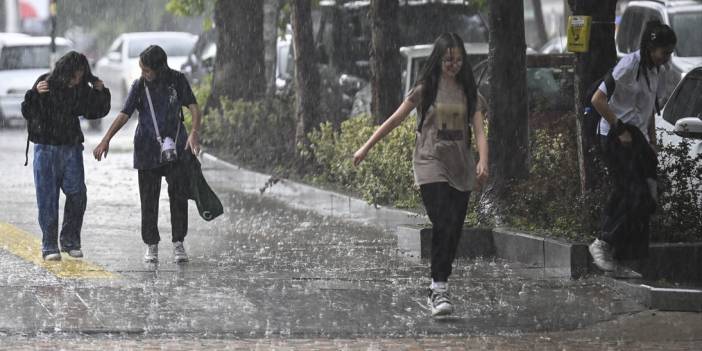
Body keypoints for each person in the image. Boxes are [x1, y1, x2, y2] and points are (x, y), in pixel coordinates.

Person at [353, 33, 488, 316]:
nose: (453, 65)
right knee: (443, 219)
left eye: (459, 60)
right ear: (438, 59)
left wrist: (483, 161)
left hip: (461, 165)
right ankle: (439, 289)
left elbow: (478, 129)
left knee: (453, 229)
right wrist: (366, 147)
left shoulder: (469, 91)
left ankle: (440, 281)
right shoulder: (426, 88)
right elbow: (396, 118)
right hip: (429, 162)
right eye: (448, 59)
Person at [93, 45, 202, 263]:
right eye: (142, 69)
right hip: (147, 150)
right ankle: (151, 244)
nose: (144, 73)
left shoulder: (177, 81)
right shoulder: (139, 85)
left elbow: (194, 107)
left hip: (176, 148)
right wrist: (106, 139)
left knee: (178, 197)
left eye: (147, 70)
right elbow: (125, 114)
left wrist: (194, 134)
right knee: (148, 199)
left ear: (160, 68)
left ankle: (178, 243)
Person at [588, 20, 677, 277]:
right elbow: (598, 100)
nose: (667, 57)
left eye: (670, 52)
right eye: (665, 51)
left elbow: (648, 111)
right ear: (651, 47)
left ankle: (622, 258)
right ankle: (603, 243)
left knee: (647, 199)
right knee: (634, 192)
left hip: (637, 139)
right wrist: (619, 128)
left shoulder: (655, 72)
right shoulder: (628, 65)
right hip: (616, 137)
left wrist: (652, 143)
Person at [21, 51, 111, 261]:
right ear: (65, 71)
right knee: (47, 199)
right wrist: (34, 94)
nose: (77, 79)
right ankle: (49, 245)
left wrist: (101, 92)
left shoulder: (81, 89)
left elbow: (95, 112)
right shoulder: (45, 83)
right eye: (74, 74)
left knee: (78, 193)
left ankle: (70, 241)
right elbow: (27, 111)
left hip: (71, 148)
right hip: (46, 148)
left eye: (81, 74)